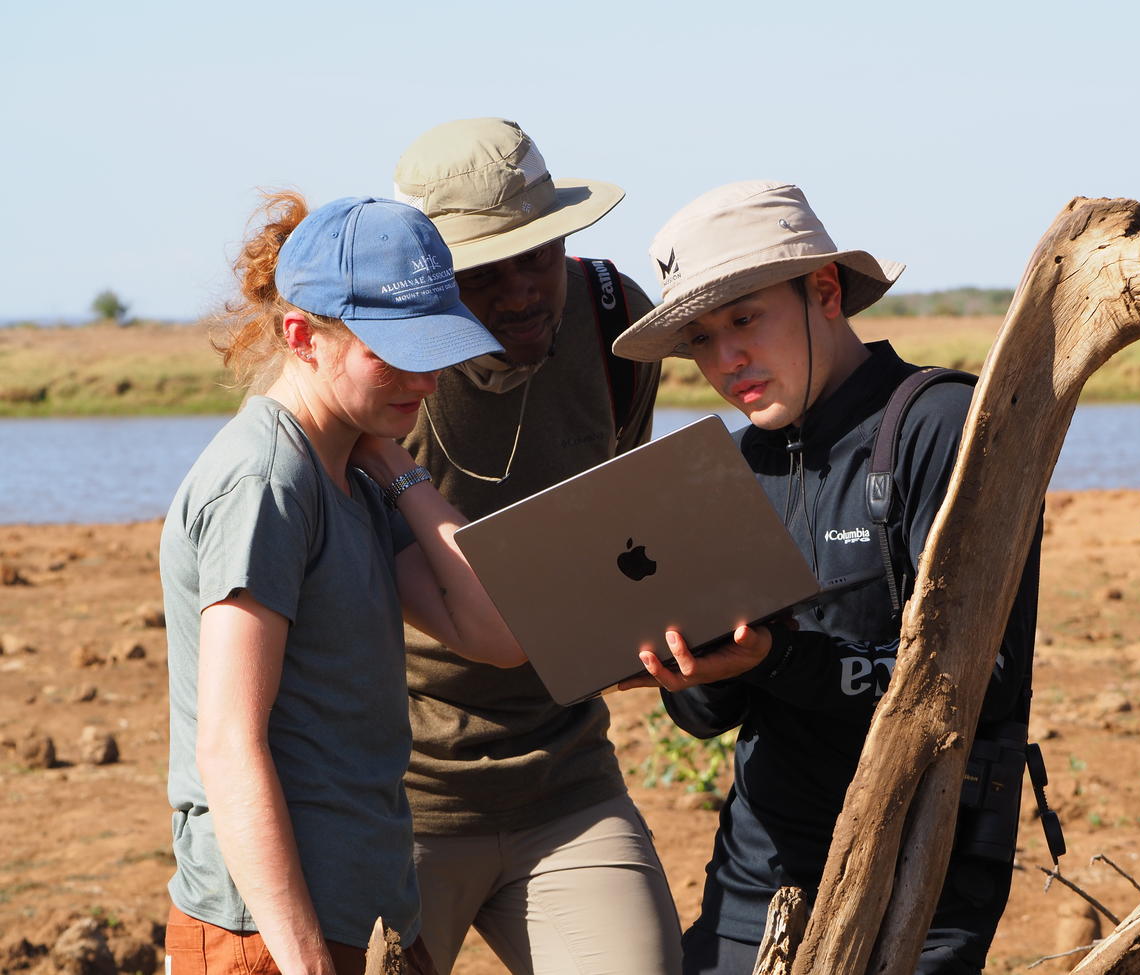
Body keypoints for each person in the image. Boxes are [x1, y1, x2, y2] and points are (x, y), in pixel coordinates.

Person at [613, 181, 1040, 975]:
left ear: (826, 291)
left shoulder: (942, 427)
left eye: (745, 317)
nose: (725, 357)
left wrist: (777, 657)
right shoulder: (732, 466)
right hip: (755, 880)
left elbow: (976, 679)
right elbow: (713, 715)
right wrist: (685, 667)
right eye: (701, 338)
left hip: (919, 877)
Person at [160, 193, 526, 975]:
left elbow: (497, 633)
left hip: (370, 910)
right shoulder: (266, 482)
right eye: (391, 354)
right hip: (273, 933)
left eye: (431, 350)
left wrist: (400, 469)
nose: (424, 381)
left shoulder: (355, 475)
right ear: (303, 336)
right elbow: (228, 744)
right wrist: (305, 962)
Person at [388, 118, 680, 973]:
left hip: (565, 778)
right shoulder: (380, 370)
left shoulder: (613, 319)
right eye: (483, 270)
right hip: (395, 798)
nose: (521, 291)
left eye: (539, 255)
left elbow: (612, 527)